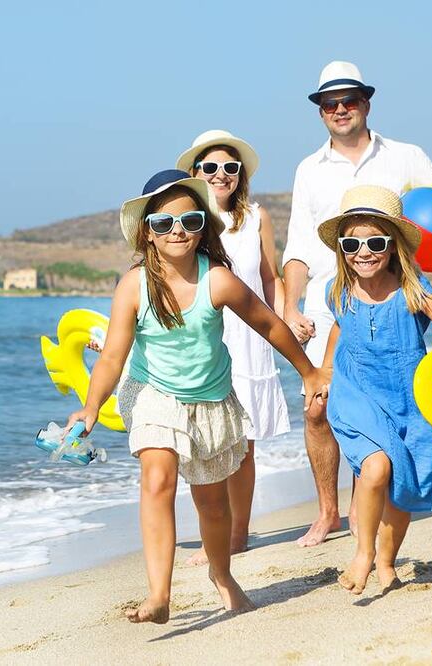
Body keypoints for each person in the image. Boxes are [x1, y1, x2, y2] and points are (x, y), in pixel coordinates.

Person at [66, 169, 328, 624]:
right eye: (164, 224)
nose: (177, 232)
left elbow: (268, 324)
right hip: (153, 393)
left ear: (203, 227)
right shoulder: (134, 286)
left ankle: (222, 576)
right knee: (158, 478)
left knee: (211, 503)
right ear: (147, 233)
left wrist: (308, 372)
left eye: (188, 221)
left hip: (210, 400)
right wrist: (90, 407)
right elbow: (111, 357)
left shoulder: (218, 280)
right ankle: (159, 594)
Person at [283, 61, 432, 546]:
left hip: (396, 301)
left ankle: (365, 506)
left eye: (349, 99)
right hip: (332, 303)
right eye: (330, 103)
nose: (341, 109)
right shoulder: (309, 170)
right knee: (317, 410)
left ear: (366, 103)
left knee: (377, 411)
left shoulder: (405, 156)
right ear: (320, 112)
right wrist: (290, 307)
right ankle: (330, 510)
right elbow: (296, 247)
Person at [318, 184, 432, 594]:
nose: (363, 252)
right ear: (342, 249)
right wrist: (324, 372)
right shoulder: (337, 289)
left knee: (402, 486)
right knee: (377, 467)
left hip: (409, 399)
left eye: (375, 242)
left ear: (393, 245)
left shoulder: (413, 288)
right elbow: (340, 329)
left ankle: (386, 561)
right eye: (352, 243)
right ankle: (363, 554)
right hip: (357, 395)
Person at [175, 130, 291, 565]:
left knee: (242, 446)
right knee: (204, 441)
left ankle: (238, 534)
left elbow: (268, 278)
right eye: (210, 167)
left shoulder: (255, 218)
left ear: (240, 175)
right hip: (200, 340)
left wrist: (287, 319)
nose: (221, 175)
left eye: (230, 167)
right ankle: (213, 532)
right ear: (195, 173)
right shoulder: (184, 220)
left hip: (248, 340)